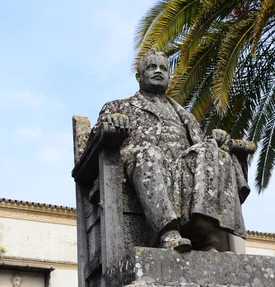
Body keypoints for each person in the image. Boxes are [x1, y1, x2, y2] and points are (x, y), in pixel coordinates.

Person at [97, 49, 255, 252]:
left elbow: (201, 150)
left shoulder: (184, 115)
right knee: (149, 154)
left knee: (213, 151)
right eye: (151, 67)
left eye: (163, 68)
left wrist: (218, 141)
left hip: (181, 171)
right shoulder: (119, 106)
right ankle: (168, 234)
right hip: (145, 166)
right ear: (139, 76)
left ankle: (204, 237)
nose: (158, 71)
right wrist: (111, 122)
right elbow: (96, 137)